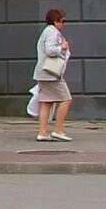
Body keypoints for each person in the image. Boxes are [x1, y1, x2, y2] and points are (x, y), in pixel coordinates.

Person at [32, 8, 74, 143]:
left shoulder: (47, 31)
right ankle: (58, 130)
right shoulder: (52, 32)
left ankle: (43, 133)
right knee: (66, 99)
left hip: (42, 73)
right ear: (55, 21)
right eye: (63, 21)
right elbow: (50, 50)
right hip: (51, 74)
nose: (64, 24)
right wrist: (63, 47)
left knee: (47, 102)